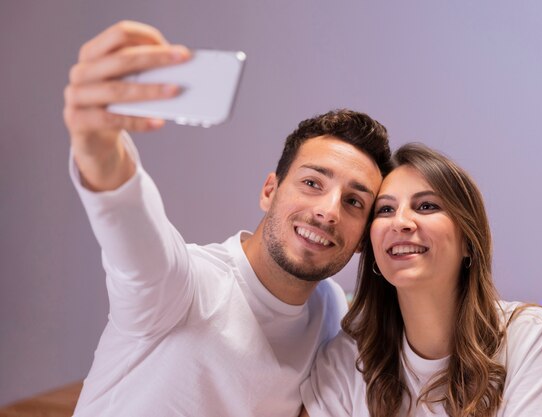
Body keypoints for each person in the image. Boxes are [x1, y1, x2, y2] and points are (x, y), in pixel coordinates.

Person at [63, 21, 392, 417]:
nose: (328, 211)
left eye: (355, 202)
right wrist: (96, 141)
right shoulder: (178, 287)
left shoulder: (329, 310)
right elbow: (129, 219)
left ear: (362, 239)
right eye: (311, 182)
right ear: (269, 191)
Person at [300, 143, 542, 417]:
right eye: (385, 209)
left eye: (426, 206)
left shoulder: (532, 338)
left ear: (468, 241)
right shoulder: (345, 360)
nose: (401, 222)